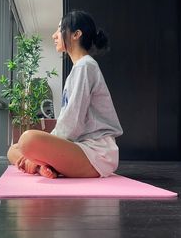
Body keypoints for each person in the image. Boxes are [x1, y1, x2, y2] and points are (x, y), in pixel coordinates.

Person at [7, 10, 123, 179]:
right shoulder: (78, 69)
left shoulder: (86, 66)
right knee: (13, 149)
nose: (55, 35)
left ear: (76, 34)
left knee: (28, 140)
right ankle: (42, 167)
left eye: (60, 29)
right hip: (78, 148)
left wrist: (43, 148)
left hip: (96, 154)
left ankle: (40, 163)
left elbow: (72, 121)